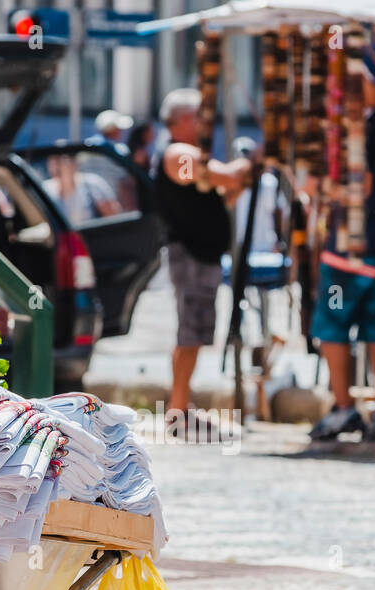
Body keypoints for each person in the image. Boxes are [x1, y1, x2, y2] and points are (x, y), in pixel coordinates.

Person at [309, 44, 375, 442]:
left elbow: (360, 184)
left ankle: (344, 408)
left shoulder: (363, 127)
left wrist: (323, 190)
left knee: (332, 326)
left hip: (353, 249)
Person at [153, 88, 252, 430]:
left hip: (202, 255)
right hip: (190, 255)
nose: (205, 124)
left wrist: (233, 177)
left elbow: (224, 191)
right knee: (190, 333)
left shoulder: (195, 157)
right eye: (199, 117)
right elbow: (214, 174)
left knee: (192, 332)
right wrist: (241, 167)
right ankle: (178, 410)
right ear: (183, 119)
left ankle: (180, 405)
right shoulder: (177, 152)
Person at [230, 136, 287, 255]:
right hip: (240, 251)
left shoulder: (269, 183)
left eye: (247, 154)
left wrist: (280, 239)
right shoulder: (231, 185)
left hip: (266, 249)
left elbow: (279, 213)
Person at [42, 153, 121, 225]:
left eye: (61, 161)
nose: (56, 166)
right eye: (53, 161)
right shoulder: (45, 189)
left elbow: (113, 218)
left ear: (74, 163)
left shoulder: (93, 184)